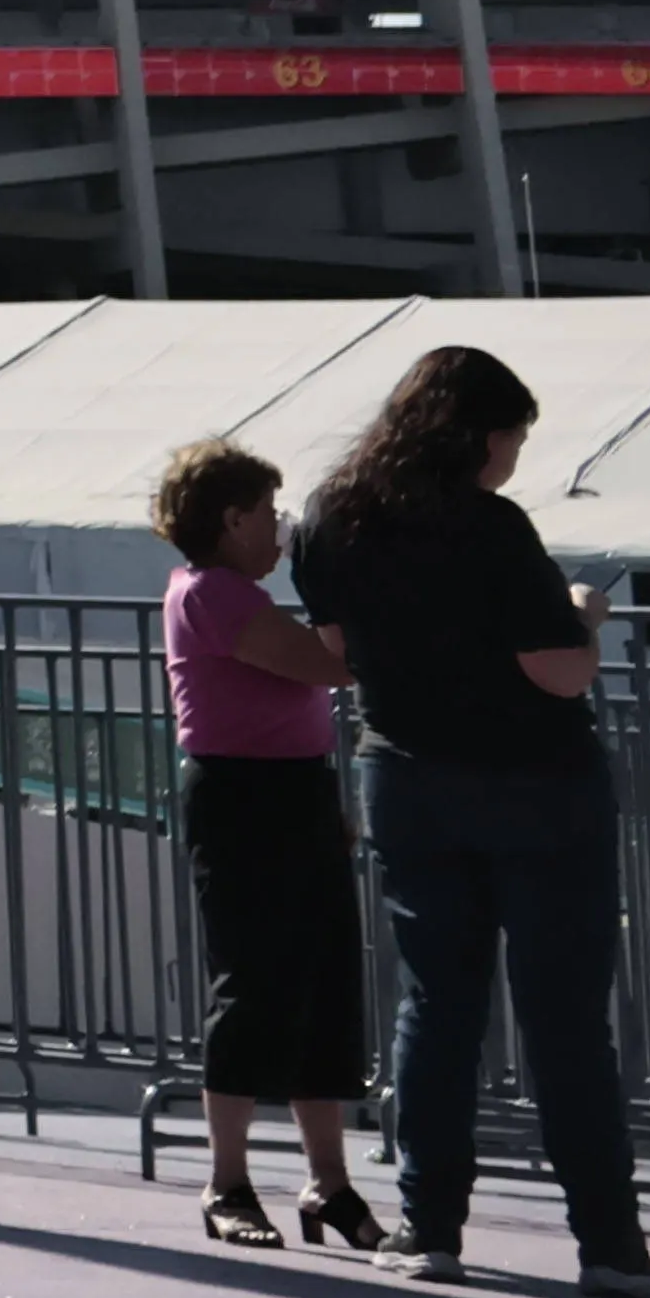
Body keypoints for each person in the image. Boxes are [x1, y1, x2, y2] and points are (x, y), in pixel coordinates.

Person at [289, 343, 650, 1298]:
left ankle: (429, 1225)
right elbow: (558, 670)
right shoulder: (494, 529)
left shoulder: (331, 517)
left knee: (437, 1007)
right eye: (512, 438)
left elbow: (337, 654)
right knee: (565, 1019)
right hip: (539, 787)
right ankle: (610, 1246)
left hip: (408, 780)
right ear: (482, 436)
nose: (513, 458)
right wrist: (583, 613)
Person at [147, 438, 373, 1255]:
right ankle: (228, 1180)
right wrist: (336, 590)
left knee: (322, 981)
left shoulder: (235, 594)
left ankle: (328, 1181)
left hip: (294, 788)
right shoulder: (213, 594)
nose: (278, 529)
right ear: (233, 518)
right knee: (253, 985)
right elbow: (326, 667)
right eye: (269, 513)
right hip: (243, 796)